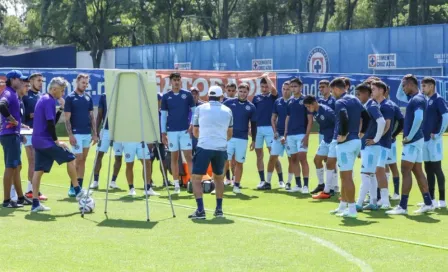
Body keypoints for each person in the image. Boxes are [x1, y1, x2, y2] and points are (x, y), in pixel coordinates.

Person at [30, 77, 90, 212]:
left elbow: (52, 120)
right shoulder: (49, 100)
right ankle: (77, 189)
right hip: (45, 141)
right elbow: (51, 125)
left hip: (38, 141)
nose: (63, 94)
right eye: (62, 91)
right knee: (70, 157)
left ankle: (35, 204)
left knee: (38, 171)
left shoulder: (45, 99)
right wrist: (57, 141)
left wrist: (61, 109)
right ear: (54, 89)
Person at [387, 74, 434, 215]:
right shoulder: (415, 98)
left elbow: (419, 118)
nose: (402, 88)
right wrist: (404, 80)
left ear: (411, 85)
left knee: (405, 171)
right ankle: (428, 203)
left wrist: (409, 137)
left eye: (404, 85)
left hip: (413, 141)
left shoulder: (417, 99)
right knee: (418, 171)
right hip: (417, 140)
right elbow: (399, 95)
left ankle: (403, 206)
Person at [189, 86, 233, 219]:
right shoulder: (228, 110)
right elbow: (230, 134)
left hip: (204, 146)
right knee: (219, 178)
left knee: (196, 178)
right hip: (221, 147)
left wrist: (205, 139)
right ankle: (219, 209)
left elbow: (195, 132)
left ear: (208, 96)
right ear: (221, 97)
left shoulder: (200, 109)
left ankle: (200, 210)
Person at [330, 78, 370, 218]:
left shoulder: (340, 102)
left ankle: (352, 209)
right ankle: (343, 206)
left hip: (346, 143)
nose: (332, 93)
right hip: (355, 141)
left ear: (336, 88)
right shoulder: (355, 99)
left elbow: (343, 115)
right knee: (344, 175)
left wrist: (343, 134)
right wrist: (362, 132)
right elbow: (366, 116)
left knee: (346, 177)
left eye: (332, 90)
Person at [0, 70, 31, 208]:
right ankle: (7, 201)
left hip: (13, 134)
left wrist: (19, 131)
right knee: (11, 167)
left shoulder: (13, 94)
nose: (23, 82)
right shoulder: (8, 92)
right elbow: (1, 105)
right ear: (13, 80)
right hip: (9, 135)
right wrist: (11, 119)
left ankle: (20, 197)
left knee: (16, 167)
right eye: (20, 79)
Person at [161, 73, 196, 194]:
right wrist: (163, 132)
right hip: (171, 131)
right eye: (174, 80)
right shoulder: (166, 97)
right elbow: (163, 116)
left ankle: (191, 183)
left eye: (178, 80)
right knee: (174, 158)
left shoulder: (187, 95)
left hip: (185, 130)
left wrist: (192, 124)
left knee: (189, 157)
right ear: (170, 82)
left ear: (181, 81)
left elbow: (194, 111)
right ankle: (176, 184)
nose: (176, 82)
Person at [64, 74, 98, 197]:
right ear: (77, 82)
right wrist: (70, 135)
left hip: (87, 134)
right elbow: (67, 119)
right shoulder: (70, 98)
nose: (85, 85)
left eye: (86, 83)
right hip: (76, 133)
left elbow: (92, 117)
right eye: (83, 82)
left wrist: (95, 134)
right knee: (77, 160)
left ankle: (80, 187)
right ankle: (73, 187)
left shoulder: (88, 98)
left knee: (83, 160)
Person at [223, 83, 256, 193]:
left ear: (248, 92)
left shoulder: (251, 107)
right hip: (228, 138)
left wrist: (254, 140)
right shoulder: (228, 103)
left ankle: (236, 185)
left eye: (245, 92)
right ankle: (220, 184)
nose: (242, 94)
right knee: (224, 161)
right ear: (238, 92)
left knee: (239, 162)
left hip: (242, 138)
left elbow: (254, 124)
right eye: (240, 91)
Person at [303, 95, 337, 199]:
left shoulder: (327, 111)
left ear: (314, 104)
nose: (308, 109)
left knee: (330, 164)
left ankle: (332, 188)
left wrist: (336, 139)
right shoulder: (315, 111)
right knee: (317, 160)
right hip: (325, 139)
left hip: (333, 140)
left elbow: (337, 123)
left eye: (308, 107)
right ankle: (321, 184)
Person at [421, 77, 448, 208]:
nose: (422, 89)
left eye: (424, 86)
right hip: (425, 140)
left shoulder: (438, 99)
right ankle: (431, 199)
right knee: (428, 169)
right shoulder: (427, 100)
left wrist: (439, 134)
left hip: (434, 140)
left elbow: (446, 116)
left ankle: (442, 200)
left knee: (437, 168)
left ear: (431, 86)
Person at [252, 73, 283, 189]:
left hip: (270, 129)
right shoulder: (256, 98)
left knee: (273, 155)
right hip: (258, 129)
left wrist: (267, 77)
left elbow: (274, 90)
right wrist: (252, 129)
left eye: (266, 87)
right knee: (259, 155)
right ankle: (262, 180)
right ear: (260, 87)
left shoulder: (273, 96)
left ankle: (281, 180)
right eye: (263, 87)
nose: (265, 89)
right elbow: (253, 115)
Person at [284, 77, 313, 194]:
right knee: (294, 159)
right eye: (292, 86)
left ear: (301, 87)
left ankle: (306, 186)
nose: (293, 88)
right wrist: (285, 133)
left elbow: (310, 120)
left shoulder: (305, 100)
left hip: (301, 134)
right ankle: (298, 184)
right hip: (290, 135)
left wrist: (307, 136)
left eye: (295, 86)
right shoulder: (290, 101)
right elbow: (288, 117)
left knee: (303, 158)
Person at [22, 73, 48, 201]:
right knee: (32, 161)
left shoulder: (41, 96)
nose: (40, 83)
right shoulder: (26, 96)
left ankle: (31, 189)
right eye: (38, 80)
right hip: (28, 133)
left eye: (42, 81)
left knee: (38, 162)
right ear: (31, 81)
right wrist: (33, 115)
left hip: (39, 133)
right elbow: (22, 115)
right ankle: (31, 190)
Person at [90, 93, 123, 189]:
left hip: (119, 131)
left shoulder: (122, 94)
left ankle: (113, 181)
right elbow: (100, 115)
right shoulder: (104, 96)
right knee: (99, 154)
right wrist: (96, 132)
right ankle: (95, 181)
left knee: (118, 156)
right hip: (106, 130)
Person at [267, 81, 293, 189]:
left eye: (287, 89)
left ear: (291, 90)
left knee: (291, 159)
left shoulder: (294, 102)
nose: (285, 91)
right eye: (284, 89)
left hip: (291, 136)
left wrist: (287, 135)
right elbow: (273, 118)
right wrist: (275, 131)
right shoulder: (277, 102)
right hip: (278, 135)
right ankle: (267, 182)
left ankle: (288, 183)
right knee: (272, 158)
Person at [385, 86, 404, 201]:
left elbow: (401, 121)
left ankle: (396, 193)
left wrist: (393, 135)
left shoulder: (392, 105)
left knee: (392, 166)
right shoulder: (376, 104)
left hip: (390, 142)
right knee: (382, 166)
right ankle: (384, 192)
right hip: (379, 142)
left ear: (386, 91)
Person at [150, 92, 171, 187]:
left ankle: (165, 180)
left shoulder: (162, 112)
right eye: (160, 100)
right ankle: (149, 181)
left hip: (161, 140)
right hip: (151, 141)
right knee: (149, 161)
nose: (161, 102)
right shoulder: (150, 113)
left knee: (164, 160)